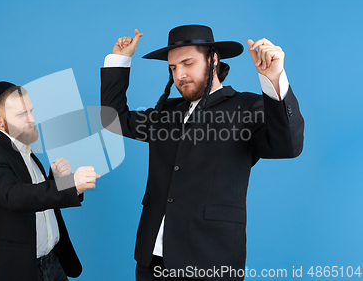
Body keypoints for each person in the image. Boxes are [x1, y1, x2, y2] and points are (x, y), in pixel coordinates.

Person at [100, 25, 304, 281]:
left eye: (187, 63)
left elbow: (288, 146)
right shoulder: (167, 112)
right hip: (152, 261)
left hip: (211, 262)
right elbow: (113, 119)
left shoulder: (246, 106)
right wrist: (120, 60)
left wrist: (273, 80)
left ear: (213, 59)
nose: (180, 75)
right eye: (173, 68)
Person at [0, 81, 100, 281]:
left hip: (54, 264)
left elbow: (37, 199)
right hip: (17, 270)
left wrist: (56, 179)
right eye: (22, 114)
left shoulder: (27, 153)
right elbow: (14, 196)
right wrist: (70, 185)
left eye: (31, 111)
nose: (31, 119)